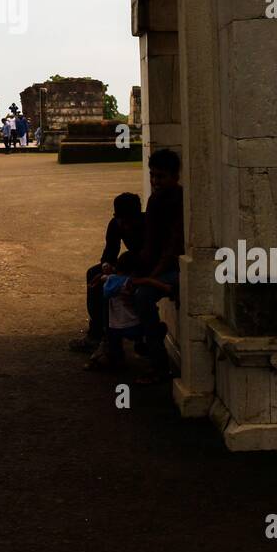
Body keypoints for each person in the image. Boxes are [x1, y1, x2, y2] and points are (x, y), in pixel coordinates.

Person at [117, 148, 184, 384]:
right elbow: (150, 245)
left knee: (143, 295)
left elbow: (172, 248)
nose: (155, 181)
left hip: (177, 268)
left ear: (176, 176)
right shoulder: (155, 201)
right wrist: (133, 275)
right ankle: (142, 339)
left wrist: (146, 278)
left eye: (161, 176)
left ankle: (159, 365)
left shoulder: (180, 200)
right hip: (159, 266)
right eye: (152, 175)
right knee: (120, 285)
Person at [69, 192, 144, 353]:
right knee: (94, 274)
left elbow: (148, 256)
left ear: (137, 216)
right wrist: (106, 265)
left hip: (144, 266)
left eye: (128, 221)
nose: (125, 225)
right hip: (130, 264)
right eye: (121, 220)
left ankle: (113, 335)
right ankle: (97, 330)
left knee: (113, 285)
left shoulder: (147, 225)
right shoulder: (116, 224)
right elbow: (110, 251)